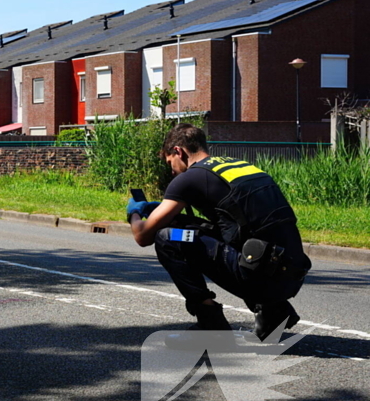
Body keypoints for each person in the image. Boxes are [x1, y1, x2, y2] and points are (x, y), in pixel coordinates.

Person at [128, 123, 310, 340]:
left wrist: (134, 214)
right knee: (190, 227)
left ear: (178, 151)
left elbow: (142, 236)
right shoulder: (237, 166)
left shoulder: (186, 179)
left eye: (170, 163)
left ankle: (211, 323)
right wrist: (165, 212)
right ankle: (274, 311)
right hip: (290, 272)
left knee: (167, 236)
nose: (172, 170)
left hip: (257, 278)